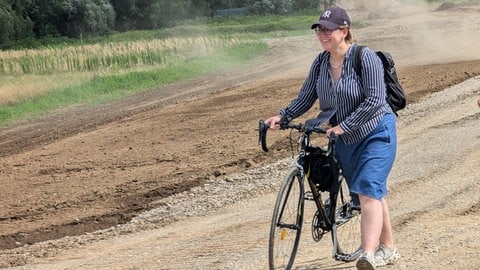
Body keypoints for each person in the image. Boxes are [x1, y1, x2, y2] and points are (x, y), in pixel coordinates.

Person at [264, 6, 399, 270]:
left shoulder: (365, 57)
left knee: (370, 187)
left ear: (344, 31)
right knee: (368, 193)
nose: (322, 34)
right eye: (319, 30)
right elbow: (306, 97)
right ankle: (389, 248)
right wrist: (283, 116)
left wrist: (344, 126)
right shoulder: (320, 63)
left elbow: (374, 100)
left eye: (328, 29)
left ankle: (368, 255)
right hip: (346, 139)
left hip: (376, 131)